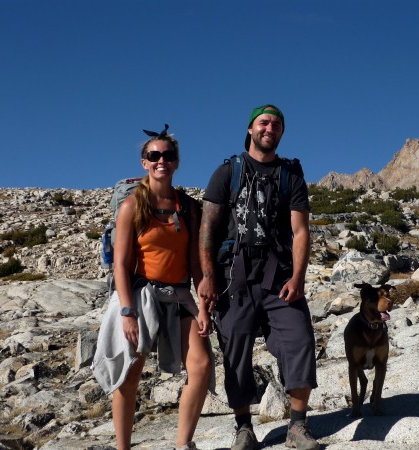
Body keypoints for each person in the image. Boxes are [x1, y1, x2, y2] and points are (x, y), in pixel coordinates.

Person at [198, 105, 319, 450]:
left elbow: (300, 231)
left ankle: (297, 425)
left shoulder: (290, 175)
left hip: (279, 276)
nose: (270, 128)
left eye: (277, 124)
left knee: (299, 342)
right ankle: (244, 428)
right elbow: (208, 229)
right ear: (250, 129)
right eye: (264, 122)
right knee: (235, 352)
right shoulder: (227, 172)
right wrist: (207, 277)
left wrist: (298, 277)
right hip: (234, 278)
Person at [92, 125, 212, 450]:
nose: (162, 161)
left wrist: (203, 305)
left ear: (176, 162)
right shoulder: (132, 206)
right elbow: (120, 264)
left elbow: (196, 263)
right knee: (130, 376)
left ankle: (183, 443)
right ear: (145, 162)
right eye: (154, 156)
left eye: (168, 155)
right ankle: (123, 447)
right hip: (140, 294)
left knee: (200, 365)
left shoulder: (188, 207)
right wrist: (127, 312)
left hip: (178, 293)